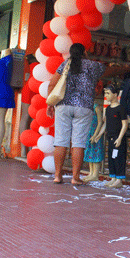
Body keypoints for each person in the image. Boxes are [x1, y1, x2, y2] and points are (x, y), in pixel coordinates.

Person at [46, 43, 105, 186]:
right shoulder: (93, 65)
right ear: (84, 52)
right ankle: (75, 177)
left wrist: (50, 104)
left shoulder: (65, 64)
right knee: (78, 143)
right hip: (84, 107)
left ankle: (58, 176)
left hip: (63, 105)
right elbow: (106, 71)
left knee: (60, 141)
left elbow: (52, 84)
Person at [98, 84, 128, 188]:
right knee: (111, 158)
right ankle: (113, 177)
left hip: (118, 138)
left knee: (119, 158)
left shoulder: (121, 108)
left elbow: (125, 124)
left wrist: (120, 138)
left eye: (108, 93)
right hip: (110, 138)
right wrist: (99, 135)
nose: (106, 95)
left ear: (115, 94)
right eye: (105, 93)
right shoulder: (108, 109)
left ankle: (119, 179)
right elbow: (106, 124)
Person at [19, 54, 39, 157]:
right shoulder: (35, 60)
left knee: (26, 117)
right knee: (31, 118)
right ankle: (28, 147)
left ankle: (24, 149)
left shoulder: (28, 63)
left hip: (30, 89)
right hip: (35, 89)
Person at [82, 101, 105, 182]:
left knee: (95, 153)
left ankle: (95, 174)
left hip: (95, 134)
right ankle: (91, 173)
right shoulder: (85, 106)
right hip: (88, 133)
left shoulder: (96, 107)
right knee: (89, 153)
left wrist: (95, 135)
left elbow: (100, 122)